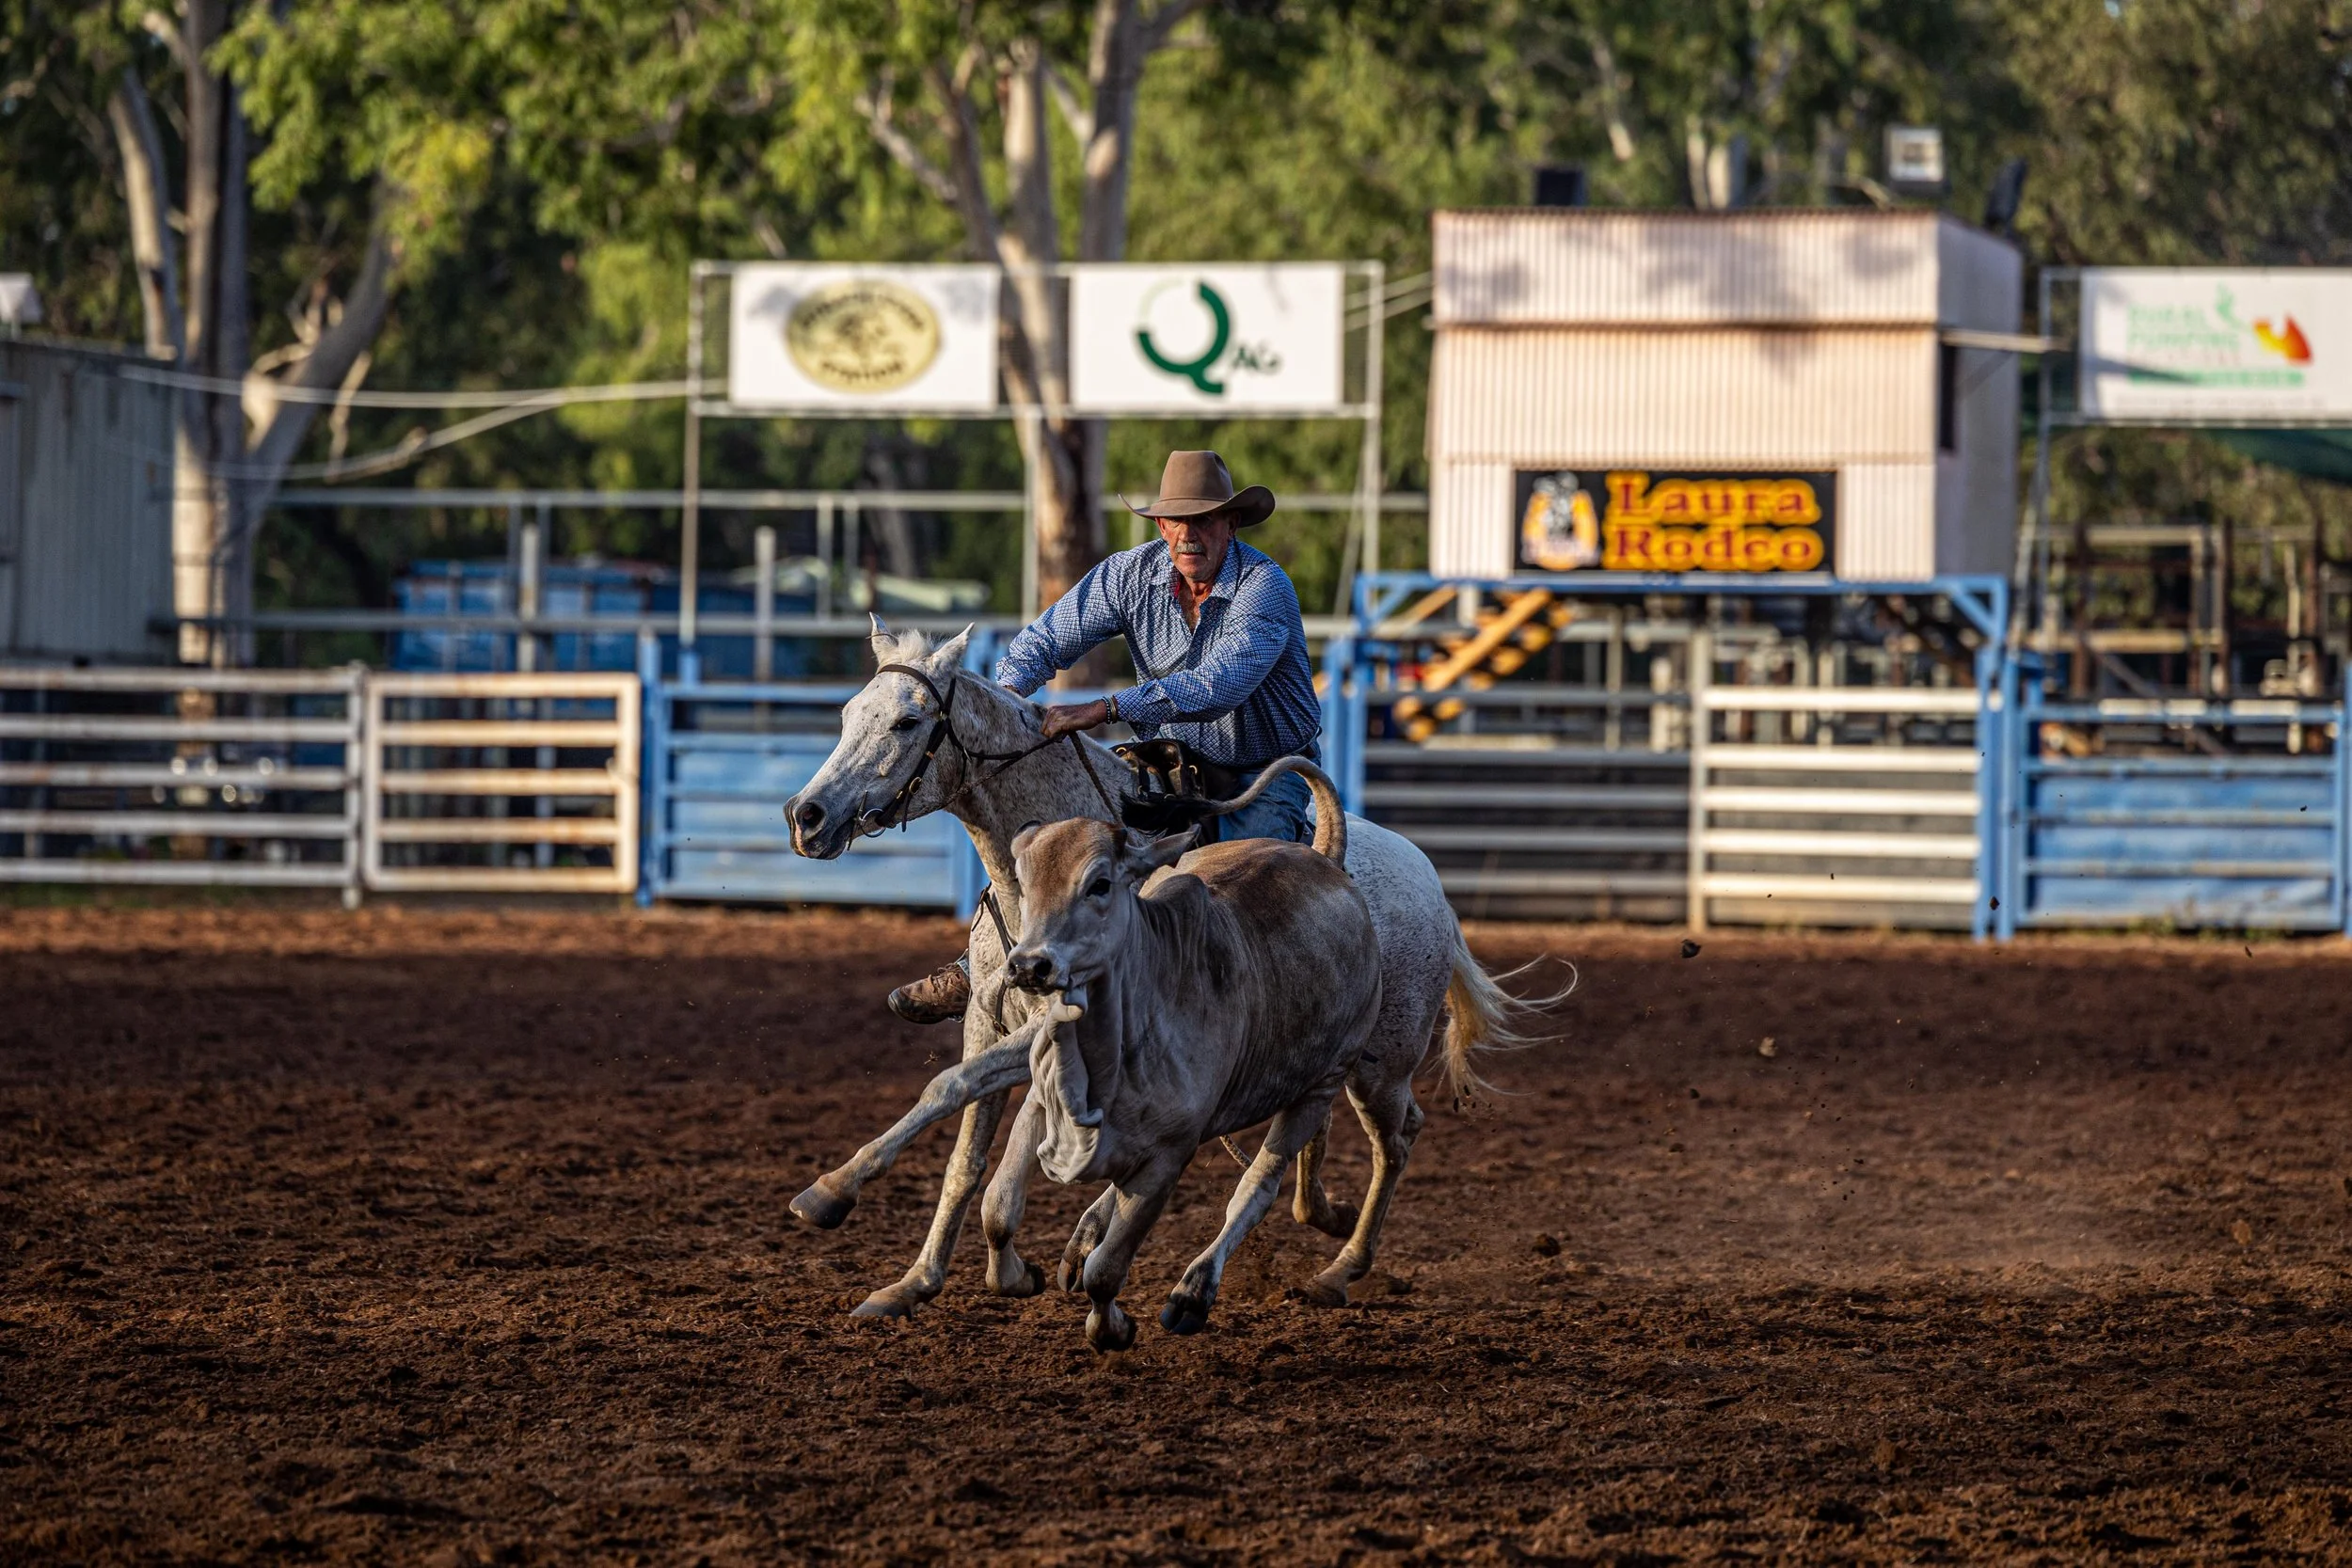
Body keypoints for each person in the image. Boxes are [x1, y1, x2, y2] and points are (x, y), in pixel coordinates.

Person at [888, 449, 1325, 1025]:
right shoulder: (1129, 576)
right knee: (1068, 852)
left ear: (1230, 524)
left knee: (1246, 904)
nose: (1188, 535)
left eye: (1203, 520)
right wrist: (1008, 700)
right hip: (1168, 766)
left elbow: (1221, 684)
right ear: (1160, 524)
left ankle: (1267, 1024)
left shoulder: (1264, 587)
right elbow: (1044, 640)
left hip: (1262, 774)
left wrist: (1106, 708)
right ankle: (978, 965)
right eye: (1177, 520)